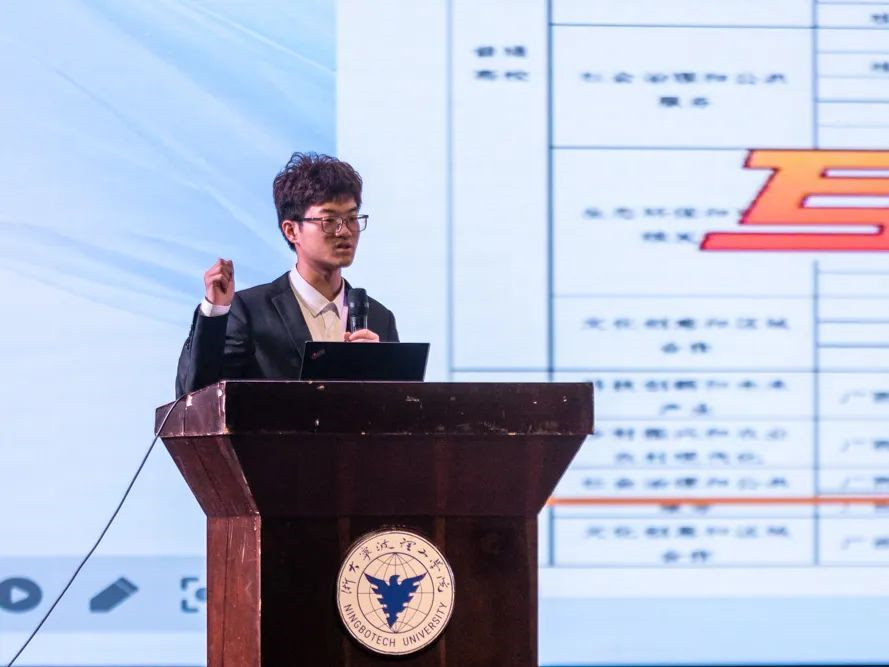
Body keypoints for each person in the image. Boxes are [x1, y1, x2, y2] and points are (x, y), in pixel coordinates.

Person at [175, 152, 398, 396]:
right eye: (330, 220)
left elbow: (402, 408)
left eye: (352, 218)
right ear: (292, 231)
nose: (345, 231)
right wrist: (215, 312)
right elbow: (196, 399)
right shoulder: (249, 312)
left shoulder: (380, 319)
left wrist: (381, 373)